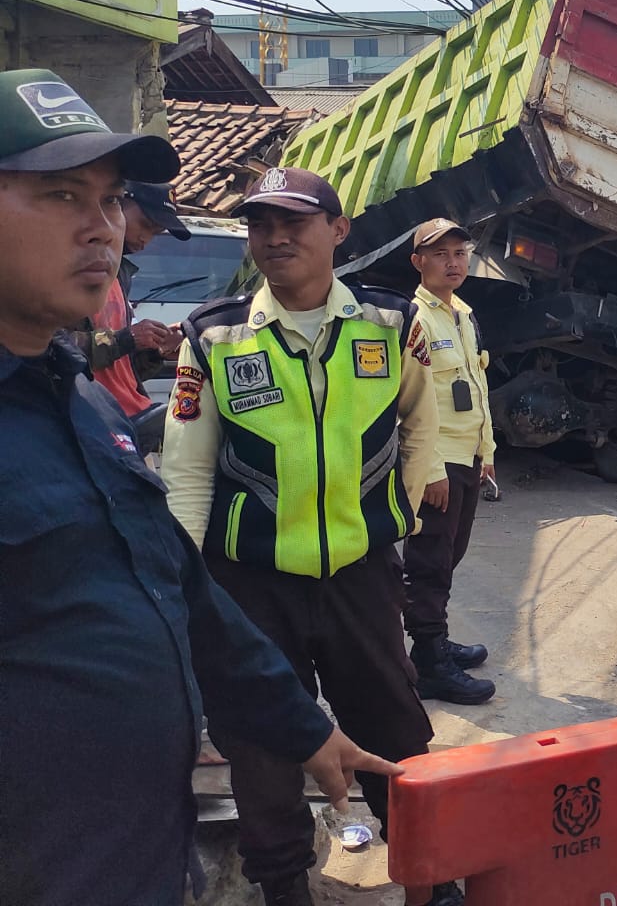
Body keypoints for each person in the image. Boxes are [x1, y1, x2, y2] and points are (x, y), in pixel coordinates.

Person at [0, 70, 399, 906]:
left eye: (111, 200)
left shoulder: (75, 401)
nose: (103, 228)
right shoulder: (214, 338)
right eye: (62, 195)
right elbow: (187, 477)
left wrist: (305, 727)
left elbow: (174, 585)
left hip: (141, 850)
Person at [163, 169, 457, 906]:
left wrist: (399, 514)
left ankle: (430, 877)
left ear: (338, 230)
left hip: (361, 572)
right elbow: (188, 469)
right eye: (261, 225)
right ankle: (284, 888)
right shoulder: (215, 335)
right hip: (249, 582)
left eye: (293, 222)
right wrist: (186, 583)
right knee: (261, 744)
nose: (275, 238)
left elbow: (421, 421)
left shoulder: (390, 323)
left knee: (394, 726)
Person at [403, 218, 496, 706]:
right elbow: (412, 403)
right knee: (429, 563)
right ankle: (429, 661)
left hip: (469, 456)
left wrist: (488, 453)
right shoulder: (414, 320)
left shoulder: (463, 313)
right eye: (440, 254)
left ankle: (435, 641)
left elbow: (477, 387)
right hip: (437, 464)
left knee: (450, 555)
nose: (453, 263)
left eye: (460, 253)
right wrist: (432, 468)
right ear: (418, 262)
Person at [67, 181, 188, 451]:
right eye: (145, 224)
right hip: (90, 424)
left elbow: (119, 370)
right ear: (116, 204)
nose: (146, 239)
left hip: (133, 420)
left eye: (155, 233)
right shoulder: (66, 269)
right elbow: (54, 349)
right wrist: (126, 339)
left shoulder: (120, 274)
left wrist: (154, 351)